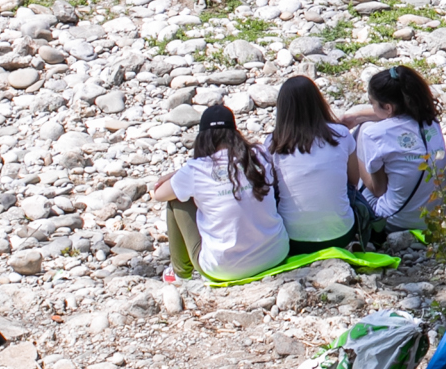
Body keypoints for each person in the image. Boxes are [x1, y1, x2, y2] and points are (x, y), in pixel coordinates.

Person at [151, 101, 290, 283]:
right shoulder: (259, 154)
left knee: (176, 198)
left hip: (225, 269)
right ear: (235, 133)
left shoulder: (197, 169)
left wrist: (177, 175)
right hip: (276, 254)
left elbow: (159, 194)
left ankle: (180, 274)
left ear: (203, 138)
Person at [269, 75, 372, 253]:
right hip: (341, 234)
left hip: (293, 240)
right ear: (318, 103)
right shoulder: (340, 134)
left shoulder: (273, 143)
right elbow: (353, 181)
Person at [348, 65, 446, 234]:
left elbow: (378, 190)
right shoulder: (430, 120)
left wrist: (355, 152)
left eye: (372, 103)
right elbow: (392, 116)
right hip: (435, 215)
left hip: (395, 219)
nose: (371, 108)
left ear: (388, 107)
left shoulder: (373, 134)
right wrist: (355, 116)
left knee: (361, 130)